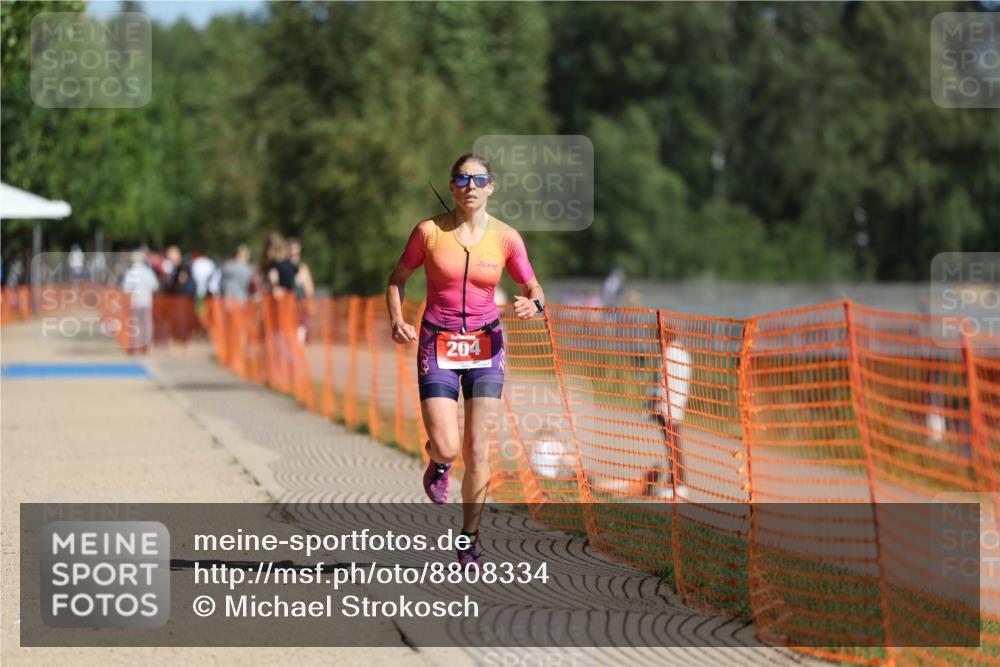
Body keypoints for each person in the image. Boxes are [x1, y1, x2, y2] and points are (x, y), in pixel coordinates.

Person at [386, 153, 545, 569]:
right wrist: (397, 319)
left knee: (478, 449)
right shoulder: (428, 233)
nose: (471, 186)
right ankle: (438, 461)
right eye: (462, 179)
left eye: (479, 179)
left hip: (485, 345)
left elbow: (533, 287)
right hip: (437, 340)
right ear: (453, 186)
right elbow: (397, 279)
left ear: (491, 186)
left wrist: (535, 305)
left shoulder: (507, 238)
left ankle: (470, 537)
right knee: (448, 445)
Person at [121, 250, 159, 353]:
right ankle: (147, 346)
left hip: (135, 303)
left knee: (135, 325)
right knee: (147, 324)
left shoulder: (131, 272)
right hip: (147, 302)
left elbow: (126, 288)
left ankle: (135, 346)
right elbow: (155, 286)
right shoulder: (148, 272)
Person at [288, 238, 315, 343]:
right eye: (291, 249)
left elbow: (309, 287)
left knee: (300, 323)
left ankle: (299, 344)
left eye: (295, 249)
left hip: (299, 300)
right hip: (287, 301)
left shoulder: (302, 267)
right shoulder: (284, 266)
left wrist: (309, 299)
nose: (293, 251)